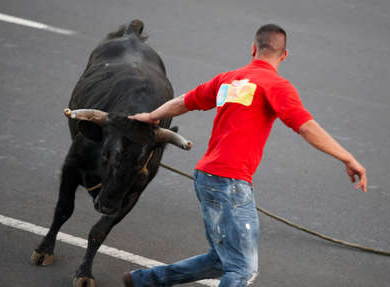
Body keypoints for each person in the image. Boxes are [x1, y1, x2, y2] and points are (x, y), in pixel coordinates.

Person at [123, 23, 367, 287]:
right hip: (230, 184)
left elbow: (185, 101)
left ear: (253, 49)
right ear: (284, 55)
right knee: (242, 270)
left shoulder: (230, 79)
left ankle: (142, 281)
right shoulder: (276, 85)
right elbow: (305, 126)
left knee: (221, 260)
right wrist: (347, 158)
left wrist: (151, 116)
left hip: (207, 177)